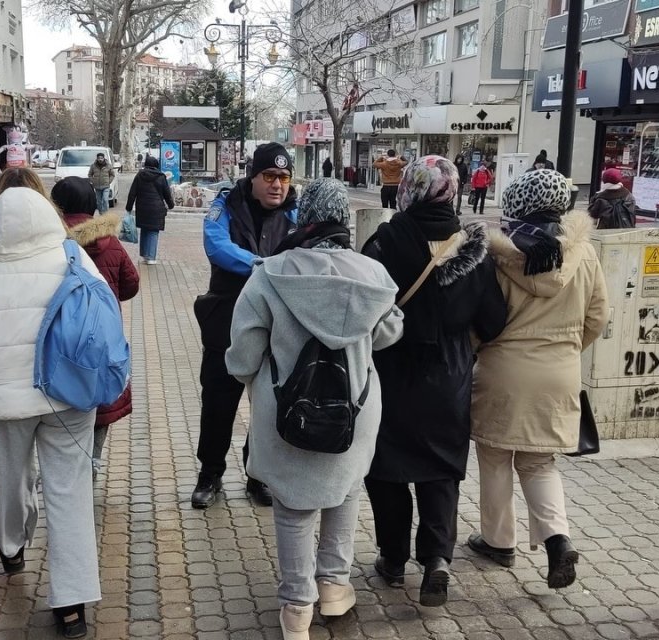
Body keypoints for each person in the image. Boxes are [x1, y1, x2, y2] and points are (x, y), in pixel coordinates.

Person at [226, 179, 403, 640]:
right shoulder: (373, 273)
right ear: (343, 218)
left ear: (303, 216)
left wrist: (251, 378)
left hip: (288, 410)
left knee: (293, 507)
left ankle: (296, 609)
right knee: (345, 492)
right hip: (355, 407)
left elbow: (244, 354)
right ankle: (334, 587)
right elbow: (388, 334)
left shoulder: (271, 273)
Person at [0, 183, 109, 639]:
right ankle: (71, 604)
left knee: (12, 476)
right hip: (67, 394)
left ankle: (11, 545)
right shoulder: (71, 254)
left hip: (5, 399)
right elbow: (101, 317)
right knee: (69, 492)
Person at [361, 155, 507, 607]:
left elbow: (363, 308)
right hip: (449, 377)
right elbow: (494, 321)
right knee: (441, 470)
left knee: (387, 469)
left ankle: (392, 558)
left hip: (391, 371)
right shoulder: (473, 250)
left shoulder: (383, 242)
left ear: (410, 188)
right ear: (453, 191)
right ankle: (437, 560)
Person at [468, 169, 609, 591]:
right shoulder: (584, 254)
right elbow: (598, 318)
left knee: (495, 458)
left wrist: (477, 351)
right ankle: (557, 540)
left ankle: (498, 542)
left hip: (501, 372)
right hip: (559, 374)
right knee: (538, 462)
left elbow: (480, 321)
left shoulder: (497, 255)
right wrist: (565, 351)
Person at [190, 142, 298, 509]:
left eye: (284, 177)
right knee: (218, 402)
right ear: (252, 176)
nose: (277, 184)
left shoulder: (296, 212)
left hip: (276, 326)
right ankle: (210, 474)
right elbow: (216, 245)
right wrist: (262, 266)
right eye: (269, 176)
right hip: (228, 322)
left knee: (268, 405)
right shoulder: (226, 204)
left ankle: (258, 475)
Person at [53, 176, 141, 476]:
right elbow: (131, 284)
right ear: (93, 204)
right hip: (102, 338)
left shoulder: (51, 244)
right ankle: (93, 461)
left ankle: (64, 470)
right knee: (100, 400)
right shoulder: (110, 242)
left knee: (60, 402)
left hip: (59, 340)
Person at [126, 155, 175, 264]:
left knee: (144, 229)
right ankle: (151, 257)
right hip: (156, 209)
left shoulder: (139, 175)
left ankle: (145, 255)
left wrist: (128, 207)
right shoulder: (161, 177)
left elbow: (132, 193)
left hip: (142, 208)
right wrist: (171, 205)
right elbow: (167, 194)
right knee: (153, 231)